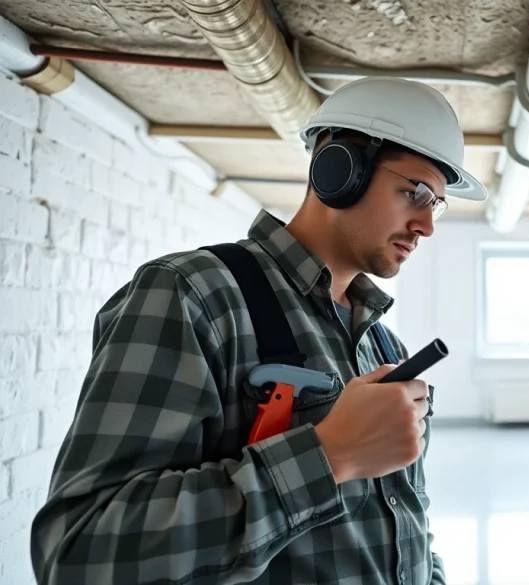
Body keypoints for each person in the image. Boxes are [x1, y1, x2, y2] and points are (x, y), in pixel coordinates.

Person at [30, 77, 488, 584]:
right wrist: (327, 456)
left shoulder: (384, 346)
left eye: (437, 204)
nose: (427, 224)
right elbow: (79, 552)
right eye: (415, 192)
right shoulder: (193, 295)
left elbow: (407, 521)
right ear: (339, 170)